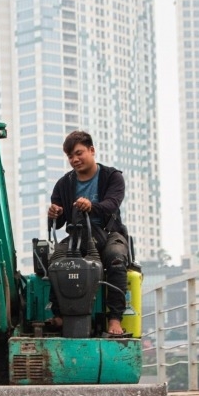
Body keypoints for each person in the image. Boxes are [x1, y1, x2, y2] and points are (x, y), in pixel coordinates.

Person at [46, 130, 130, 337]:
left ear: (91, 150)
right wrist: (54, 213)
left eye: (79, 153)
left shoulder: (112, 177)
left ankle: (115, 318)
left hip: (108, 234)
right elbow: (58, 223)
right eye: (70, 156)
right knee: (56, 259)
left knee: (116, 258)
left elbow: (111, 204)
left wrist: (91, 206)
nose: (74, 159)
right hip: (77, 236)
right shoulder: (64, 184)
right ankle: (60, 314)